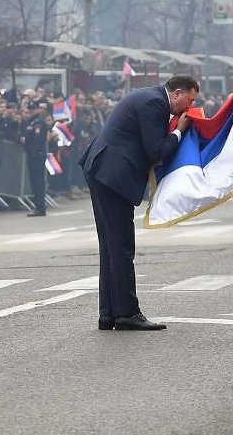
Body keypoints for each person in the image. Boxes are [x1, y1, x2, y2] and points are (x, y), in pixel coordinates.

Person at [79, 75, 197, 331]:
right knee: (121, 246)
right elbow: (156, 151)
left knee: (111, 247)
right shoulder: (154, 104)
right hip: (112, 175)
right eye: (189, 100)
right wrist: (180, 130)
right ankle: (127, 313)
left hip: (102, 171)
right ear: (177, 93)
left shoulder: (149, 97)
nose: (189, 107)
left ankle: (109, 313)